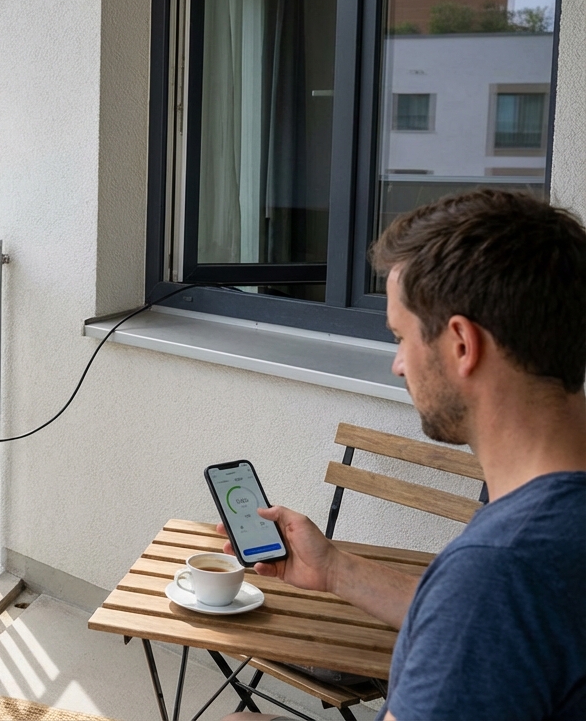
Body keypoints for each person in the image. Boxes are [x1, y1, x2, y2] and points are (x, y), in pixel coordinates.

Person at [221, 189, 586, 721]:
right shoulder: (543, 536)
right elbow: (489, 627)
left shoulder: (499, 570)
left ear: (461, 344)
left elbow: (481, 611)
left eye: (400, 336)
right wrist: (336, 571)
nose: (397, 365)